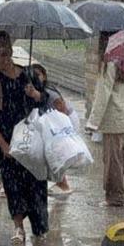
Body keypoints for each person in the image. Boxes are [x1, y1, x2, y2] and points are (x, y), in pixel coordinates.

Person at [0, 31, 49, 244]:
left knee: (37, 185)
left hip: (32, 139)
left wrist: (35, 94)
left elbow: (45, 101)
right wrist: (4, 145)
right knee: (13, 185)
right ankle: (18, 227)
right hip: (7, 141)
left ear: (10, 52)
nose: (1, 59)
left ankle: (40, 228)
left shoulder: (29, 75)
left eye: (3, 54)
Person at [86, 61, 124, 206]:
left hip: (114, 118)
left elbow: (103, 93)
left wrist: (93, 121)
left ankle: (114, 196)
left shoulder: (109, 63)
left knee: (112, 159)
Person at [31, 63, 75, 197]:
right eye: (32, 75)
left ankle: (63, 184)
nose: (35, 78)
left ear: (44, 75)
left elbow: (64, 111)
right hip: (50, 128)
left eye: (37, 75)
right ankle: (61, 183)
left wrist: (58, 128)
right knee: (51, 156)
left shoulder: (49, 92)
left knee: (54, 156)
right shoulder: (37, 90)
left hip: (57, 128)